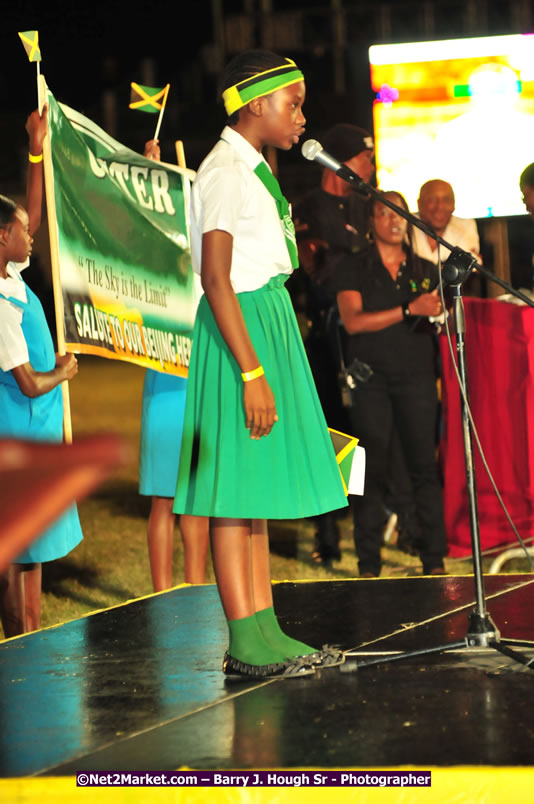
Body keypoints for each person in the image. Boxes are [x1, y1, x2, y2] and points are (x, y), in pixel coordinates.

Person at [173, 49, 348, 679]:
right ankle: (243, 640)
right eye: (292, 104)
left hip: (265, 320)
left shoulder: (252, 168)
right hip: (239, 331)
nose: (302, 116)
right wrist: (250, 372)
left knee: (257, 494)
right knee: (234, 492)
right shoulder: (224, 170)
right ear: (254, 104)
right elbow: (215, 278)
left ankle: (266, 628)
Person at [332, 191, 447, 577]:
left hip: (417, 378)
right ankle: (369, 564)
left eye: (399, 213)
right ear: (371, 222)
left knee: (423, 467)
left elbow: (441, 316)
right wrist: (408, 309)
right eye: (384, 212)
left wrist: (439, 310)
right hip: (371, 380)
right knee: (371, 469)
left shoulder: (426, 269)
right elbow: (353, 322)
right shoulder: (353, 267)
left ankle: (434, 559)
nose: (394, 220)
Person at [0, 108, 82, 637]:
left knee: (33, 552)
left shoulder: (12, 275)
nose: (31, 236)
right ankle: (17, 641)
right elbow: (28, 382)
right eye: (20, 232)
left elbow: (34, 211)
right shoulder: (1, 304)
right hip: (19, 437)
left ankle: (29, 634)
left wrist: (37, 147)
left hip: (37, 436)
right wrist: (64, 371)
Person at [289, 124, 374, 565]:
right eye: (364, 158)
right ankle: (327, 530)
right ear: (340, 160)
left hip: (365, 337)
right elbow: (313, 270)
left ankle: (366, 526)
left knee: (366, 431)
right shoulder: (306, 208)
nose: (370, 166)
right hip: (322, 338)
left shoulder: (367, 206)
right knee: (329, 432)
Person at [138, 139, 209, 592]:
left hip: (203, 379)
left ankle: (195, 590)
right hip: (166, 379)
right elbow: (140, 221)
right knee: (164, 496)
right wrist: (150, 176)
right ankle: (162, 594)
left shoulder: (213, 254)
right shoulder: (157, 256)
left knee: (197, 498)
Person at [412, 179, 480, 265]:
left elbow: (470, 267)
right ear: (419, 203)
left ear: (454, 204)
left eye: (446, 200)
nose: (440, 206)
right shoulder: (405, 223)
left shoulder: (466, 226)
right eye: (432, 199)